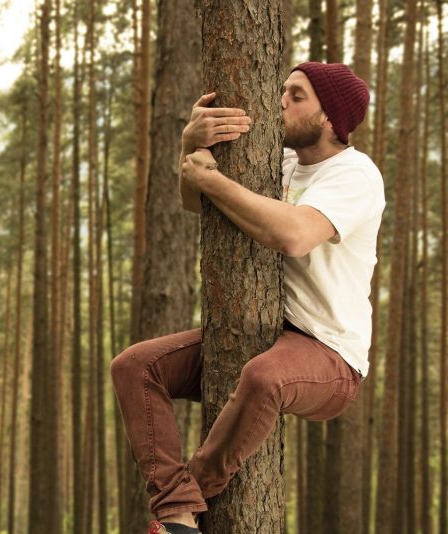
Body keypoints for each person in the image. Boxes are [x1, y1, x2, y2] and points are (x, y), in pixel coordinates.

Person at [110, 62, 384, 534]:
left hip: (330, 356)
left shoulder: (355, 174)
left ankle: (188, 498)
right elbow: (196, 203)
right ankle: (176, 510)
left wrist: (212, 178)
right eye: (284, 91)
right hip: (268, 334)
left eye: (297, 96)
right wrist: (190, 147)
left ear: (329, 118)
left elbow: (294, 236)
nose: (280, 102)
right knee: (134, 367)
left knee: (264, 377)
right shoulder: (278, 161)